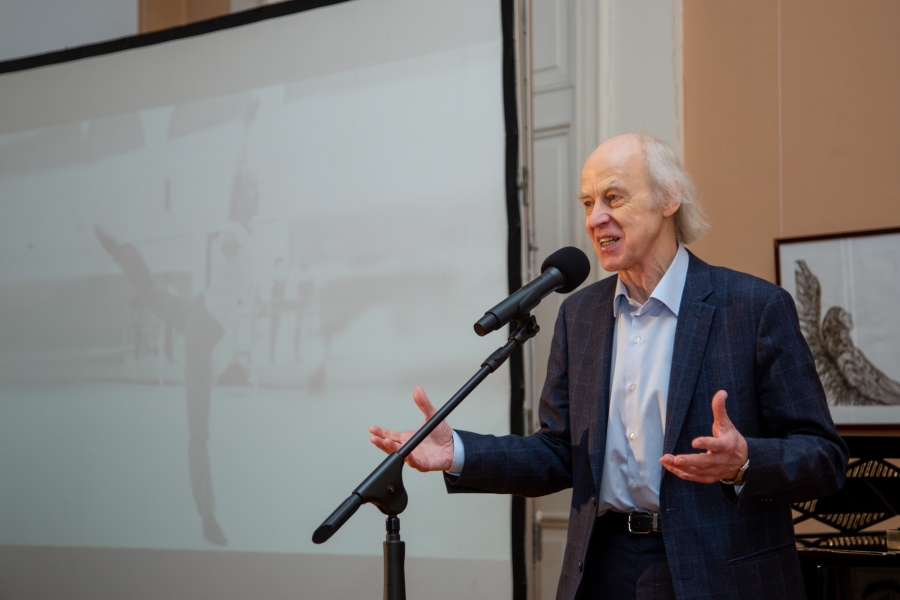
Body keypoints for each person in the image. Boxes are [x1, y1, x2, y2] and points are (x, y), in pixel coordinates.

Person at [369, 134, 848, 599]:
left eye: (613, 198)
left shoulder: (753, 307)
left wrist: (744, 462)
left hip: (718, 572)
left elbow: (824, 458)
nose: (595, 218)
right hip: (602, 567)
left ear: (669, 198)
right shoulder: (579, 315)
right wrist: (458, 452)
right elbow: (559, 453)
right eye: (587, 202)